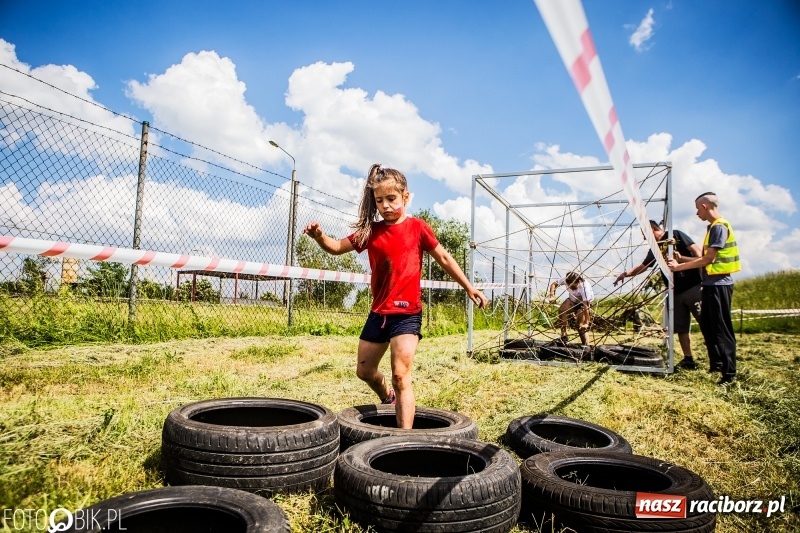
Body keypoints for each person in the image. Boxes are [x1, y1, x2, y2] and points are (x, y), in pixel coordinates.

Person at [302, 164, 488, 428]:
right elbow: (336, 247)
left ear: (406, 197)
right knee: (364, 371)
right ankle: (387, 397)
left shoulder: (418, 228)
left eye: (391, 199)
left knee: (401, 376)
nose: (385, 206)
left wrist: (469, 287)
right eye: (379, 200)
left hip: (407, 314)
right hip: (379, 314)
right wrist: (319, 236)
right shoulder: (371, 231)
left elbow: (445, 258)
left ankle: (405, 439)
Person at [668, 192, 739, 385]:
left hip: (719, 285)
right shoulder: (712, 228)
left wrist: (679, 267)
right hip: (709, 284)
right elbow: (703, 259)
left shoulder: (719, 227)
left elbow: (708, 259)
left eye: (697, 209)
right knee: (708, 326)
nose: (697, 213)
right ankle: (716, 364)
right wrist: (682, 259)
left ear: (705, 207)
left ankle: (729, 374)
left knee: (721, 329)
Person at [614, 220, 704, 370]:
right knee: (681, 327)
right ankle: (688, 359)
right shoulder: (655, 248)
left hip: (693, 286)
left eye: (645, 234)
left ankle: (717, 359)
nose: (645, 239)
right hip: (675, 291)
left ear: (652, 229)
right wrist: (626, 274)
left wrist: (682, 261)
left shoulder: (675, 235)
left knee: (706, 323)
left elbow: (699, 254)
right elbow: (644, 266)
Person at [548, 271, 594, 345]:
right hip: (572, 301)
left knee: (581, 325)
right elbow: (554, 284)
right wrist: (552, 295)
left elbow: (586, 306)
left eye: (574, 286)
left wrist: (586, 323)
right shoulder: (566, 279)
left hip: (583, 304)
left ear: (578, 282)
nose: (572, 288)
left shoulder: (585, 288)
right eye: (570, 286)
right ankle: (564, 336)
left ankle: (586, 346)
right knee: (562, 311)